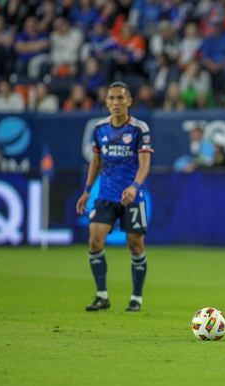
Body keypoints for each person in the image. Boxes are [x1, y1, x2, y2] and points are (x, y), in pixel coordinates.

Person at [76, 82, 153, 312]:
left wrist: (134, 186)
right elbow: (96, 161)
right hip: (106, 195)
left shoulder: (139, 129)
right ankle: (102, 296)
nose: (116, 102)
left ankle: (136, 298)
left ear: (129, 101)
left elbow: (145, 163)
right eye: (112, 98)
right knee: (94, 240)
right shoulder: (100, 128)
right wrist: (88, 190)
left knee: (135, 244)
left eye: (121, 98)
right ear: (106, 101)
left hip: (133, 196)